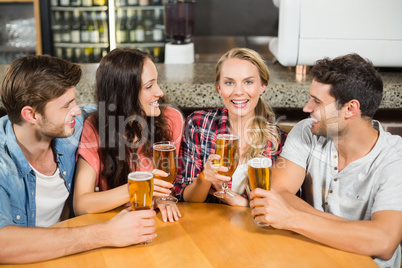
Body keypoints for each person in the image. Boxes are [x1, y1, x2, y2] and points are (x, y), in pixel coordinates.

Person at [0, 55, 157, 264]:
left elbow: (118, 104)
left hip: (74, 257)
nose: (77, 110)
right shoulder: (3, 162)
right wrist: (105, 233)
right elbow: (4, 245)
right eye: (66, 105)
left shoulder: (76, 126)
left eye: (74, 100)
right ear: (31, 115)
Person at [249, 53, 402, 268]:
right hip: (309, 258)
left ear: (350, 109)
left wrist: (292, 218)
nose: (306, 108)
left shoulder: (395, 159)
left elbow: (384, 243)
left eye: (317, 102)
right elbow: (278, 193)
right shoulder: (306, 131)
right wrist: (357, 231)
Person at [73, 48, 183, 223]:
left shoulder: (171, 119)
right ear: (124, 95)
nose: (160, 92)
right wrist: (140, 186)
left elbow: (171, 187)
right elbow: (81, 204)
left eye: (157, 82)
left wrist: (163, 198)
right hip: (115, 224)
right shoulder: (94, 127)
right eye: (149, 86)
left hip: (159, 221)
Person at [175, 48, 287, 206]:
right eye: (229, 82)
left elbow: (272, 206)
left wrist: (231, 197)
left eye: (248, 82)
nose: (239, 91)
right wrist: (204, 179)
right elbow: (185, 197)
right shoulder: (198, 124)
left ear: (262, 86)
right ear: (219, 87)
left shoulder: (278, 140)